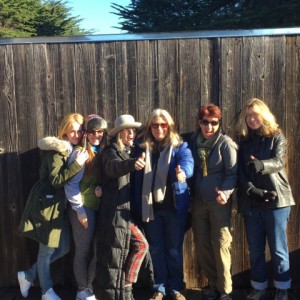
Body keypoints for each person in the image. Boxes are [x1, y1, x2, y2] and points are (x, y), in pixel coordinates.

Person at [17, 113, 88, 300]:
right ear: (64, 132)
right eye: (72, 131)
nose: (76, 134)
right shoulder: (58, 152)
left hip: (58, 208)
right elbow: (56, 181)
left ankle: (28, 275)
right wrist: (77, 165)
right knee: (46, 250)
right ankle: (46, 291)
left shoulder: (72, 149)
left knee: (63, 248)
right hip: (46, 206)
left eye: (79, 131)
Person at [236, 98, 295, 300]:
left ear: (264, 115)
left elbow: (278, 162)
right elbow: (241, 173)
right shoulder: (243, 142)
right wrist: (252, 191)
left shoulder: (277, 137)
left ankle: (282, 288)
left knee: (278, 249)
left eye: (255, 115)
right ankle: (259, 287)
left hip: (277, 201)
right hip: (252, 202)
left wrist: (261, 165)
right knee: (255, 250)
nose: (252, 119)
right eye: (248, 116)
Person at [136, 109, 194, 300]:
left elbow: (188, 163)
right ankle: (159, 288)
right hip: (151, 208)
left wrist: (183, 173)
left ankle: (176, 288)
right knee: (156, 249)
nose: (159, 128)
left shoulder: (180, 147)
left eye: (163, 125)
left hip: (175, 208)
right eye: (155, 125)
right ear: (149, 127)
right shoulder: (143, 148)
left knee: (174, 250)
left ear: (169, 126)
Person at [94, 114, 149, 300]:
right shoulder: (111, 151)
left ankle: (125, 291)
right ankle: (124, 292)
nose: (132, 133)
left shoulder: (126, 151)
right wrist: (132, 164)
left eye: (134, 130)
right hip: (114, 213)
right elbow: (113, 168)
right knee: (134, 248)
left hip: (123, 212)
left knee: (123, 254)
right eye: (128, 130)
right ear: (119, 133)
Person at [188, 104, 237, 300]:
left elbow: (232, 173)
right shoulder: (193, 141)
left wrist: (225, 192)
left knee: (221, 243)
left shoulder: (225, 143)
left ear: (219, 123)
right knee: (201, 244)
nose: (209, 127)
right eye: (205, 122)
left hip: (219, 202)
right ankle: (214, 283)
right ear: (199, 123)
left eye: (214, 123)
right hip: (198, 201)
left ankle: (225, 291)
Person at [64, 114, 108, 300]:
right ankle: (82, 289)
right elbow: (70, 185)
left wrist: (101, 189)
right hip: (82, 208)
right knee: (82, 251)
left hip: (98, 208)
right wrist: (80, 211)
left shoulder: (103, 151)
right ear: (86, 134)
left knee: (99, 250)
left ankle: (88, 286)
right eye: (92, 132)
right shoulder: (80, 153)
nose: (96, 135)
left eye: (99, 132)